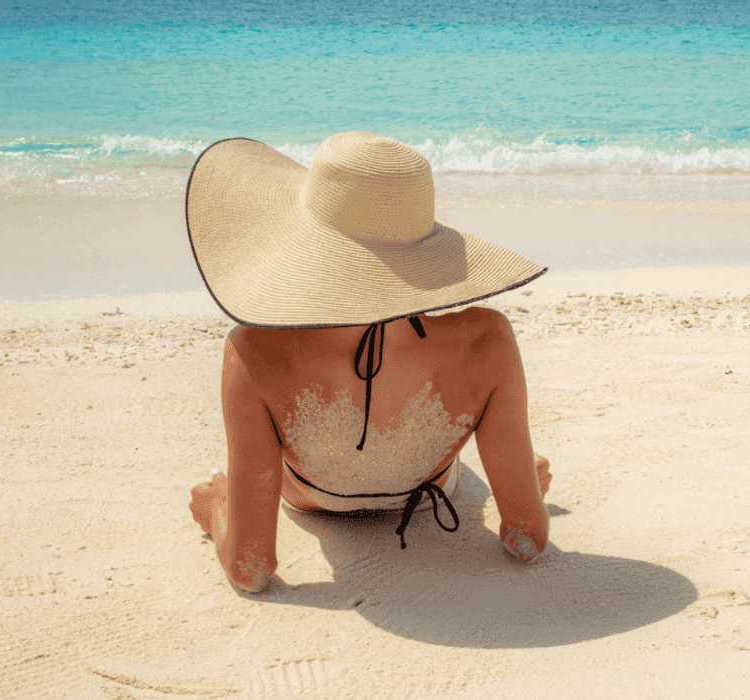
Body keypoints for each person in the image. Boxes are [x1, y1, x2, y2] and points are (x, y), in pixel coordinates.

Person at [185, 131, 552, 593]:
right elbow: (529, 539)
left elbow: (249, 568)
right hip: (428, 487)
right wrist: (525, 494)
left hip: (311, 497)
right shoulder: (487, 340)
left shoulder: (254, 351)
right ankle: (520, 474)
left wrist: (221, 507)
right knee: (502, 467)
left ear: (306, 239)